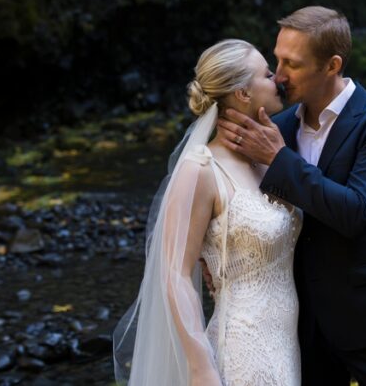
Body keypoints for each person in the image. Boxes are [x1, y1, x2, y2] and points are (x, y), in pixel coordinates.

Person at [215, 6, 366, 385]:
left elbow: (356, 213)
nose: (278, 76)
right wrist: (213, 261)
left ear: (332, 65)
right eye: (276, 59)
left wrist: (278, 159)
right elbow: (228, 195)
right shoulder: (273, 126)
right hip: (296, 328)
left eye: (291, 64)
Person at [113, 39, 303, 385]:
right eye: (266, 73)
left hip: (286, 344)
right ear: (243, 93)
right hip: (243, 348)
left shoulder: (271, 157)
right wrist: (200, 366)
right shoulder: (199, 170)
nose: (277, 78)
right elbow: (174, 273)